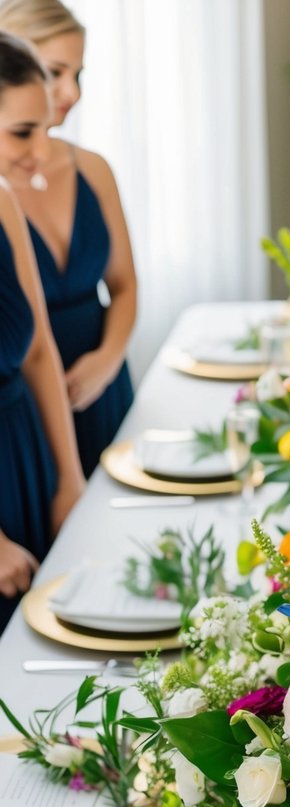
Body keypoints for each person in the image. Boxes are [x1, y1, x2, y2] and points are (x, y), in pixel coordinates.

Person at [0, 0, 136, 478]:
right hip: (25, 406)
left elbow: (124, 285)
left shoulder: (92, 169)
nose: (70, 92)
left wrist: (107, 360)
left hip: (100, 388)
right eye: (55, 71)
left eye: (78, 74)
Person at [0, 30, 84, 628]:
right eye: (20, 132)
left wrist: (69, 477)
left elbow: (37, 351)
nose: (38, 150)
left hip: (24, 453)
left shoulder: (3, 199)